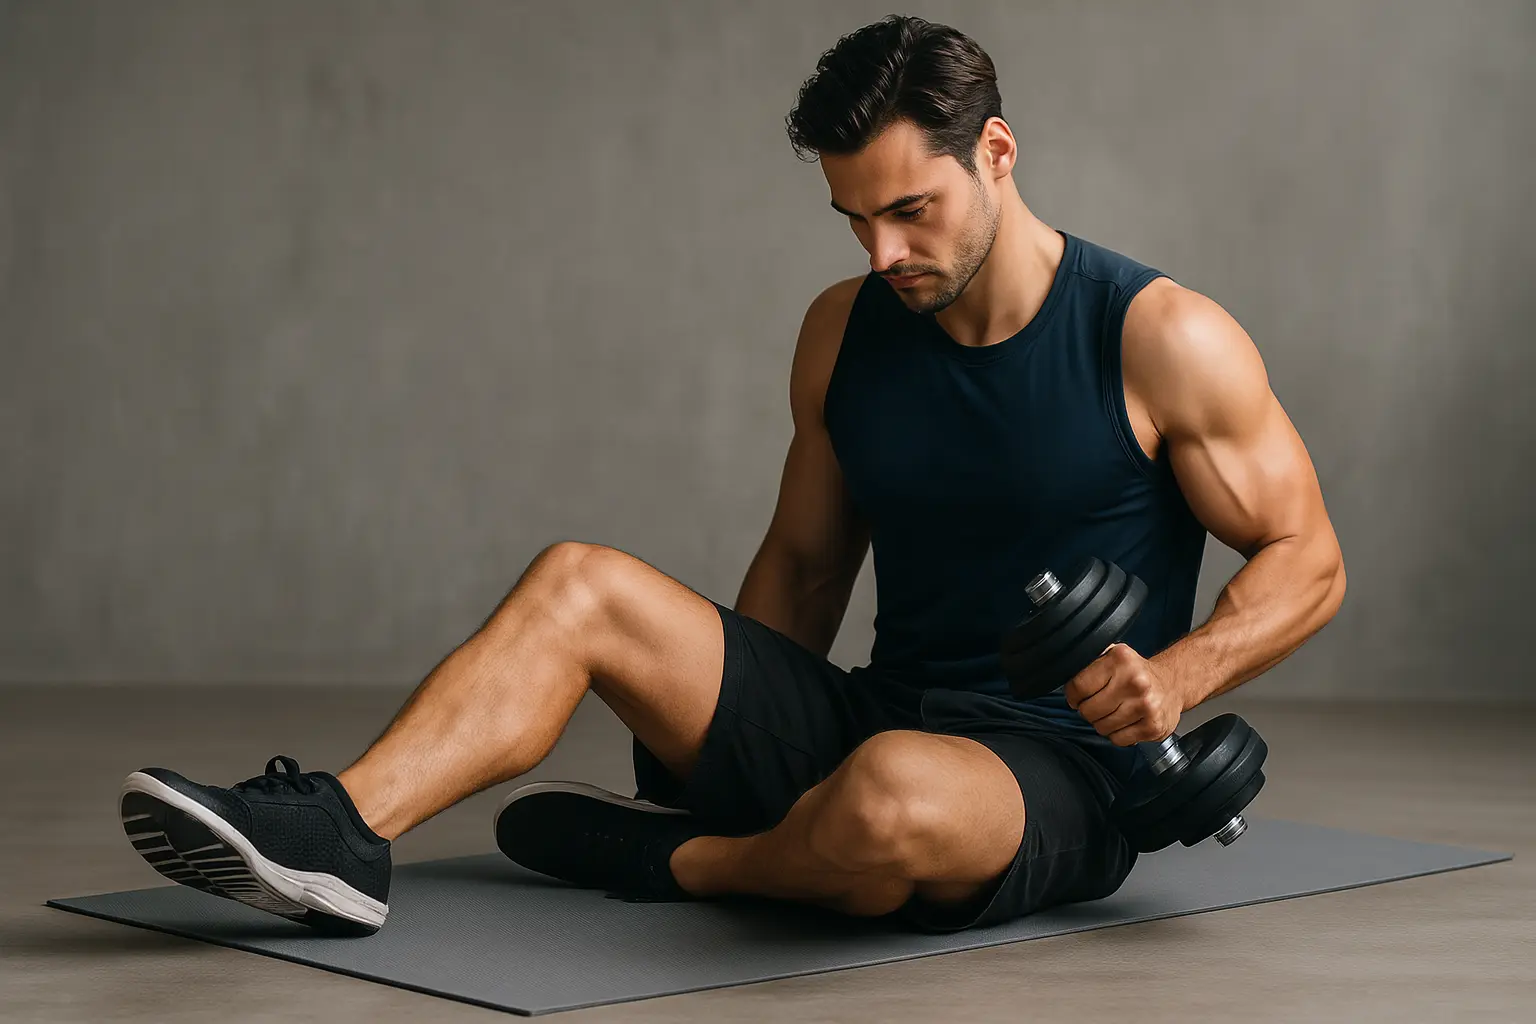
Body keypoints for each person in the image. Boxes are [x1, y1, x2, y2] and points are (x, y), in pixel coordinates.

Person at [120, 15, 1345, 938]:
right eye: (853, 220)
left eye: (912, 211)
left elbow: (1309, 557)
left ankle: (686, 861)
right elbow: (807, 564)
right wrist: (717, 740)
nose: (885, 252)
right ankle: (339, 830)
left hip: (1055, 772)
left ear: (999, 152)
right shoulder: (845, 327)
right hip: (878, 708)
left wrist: (1179, 677)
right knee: (579, 583)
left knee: (888, 801)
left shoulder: (1157, 335)